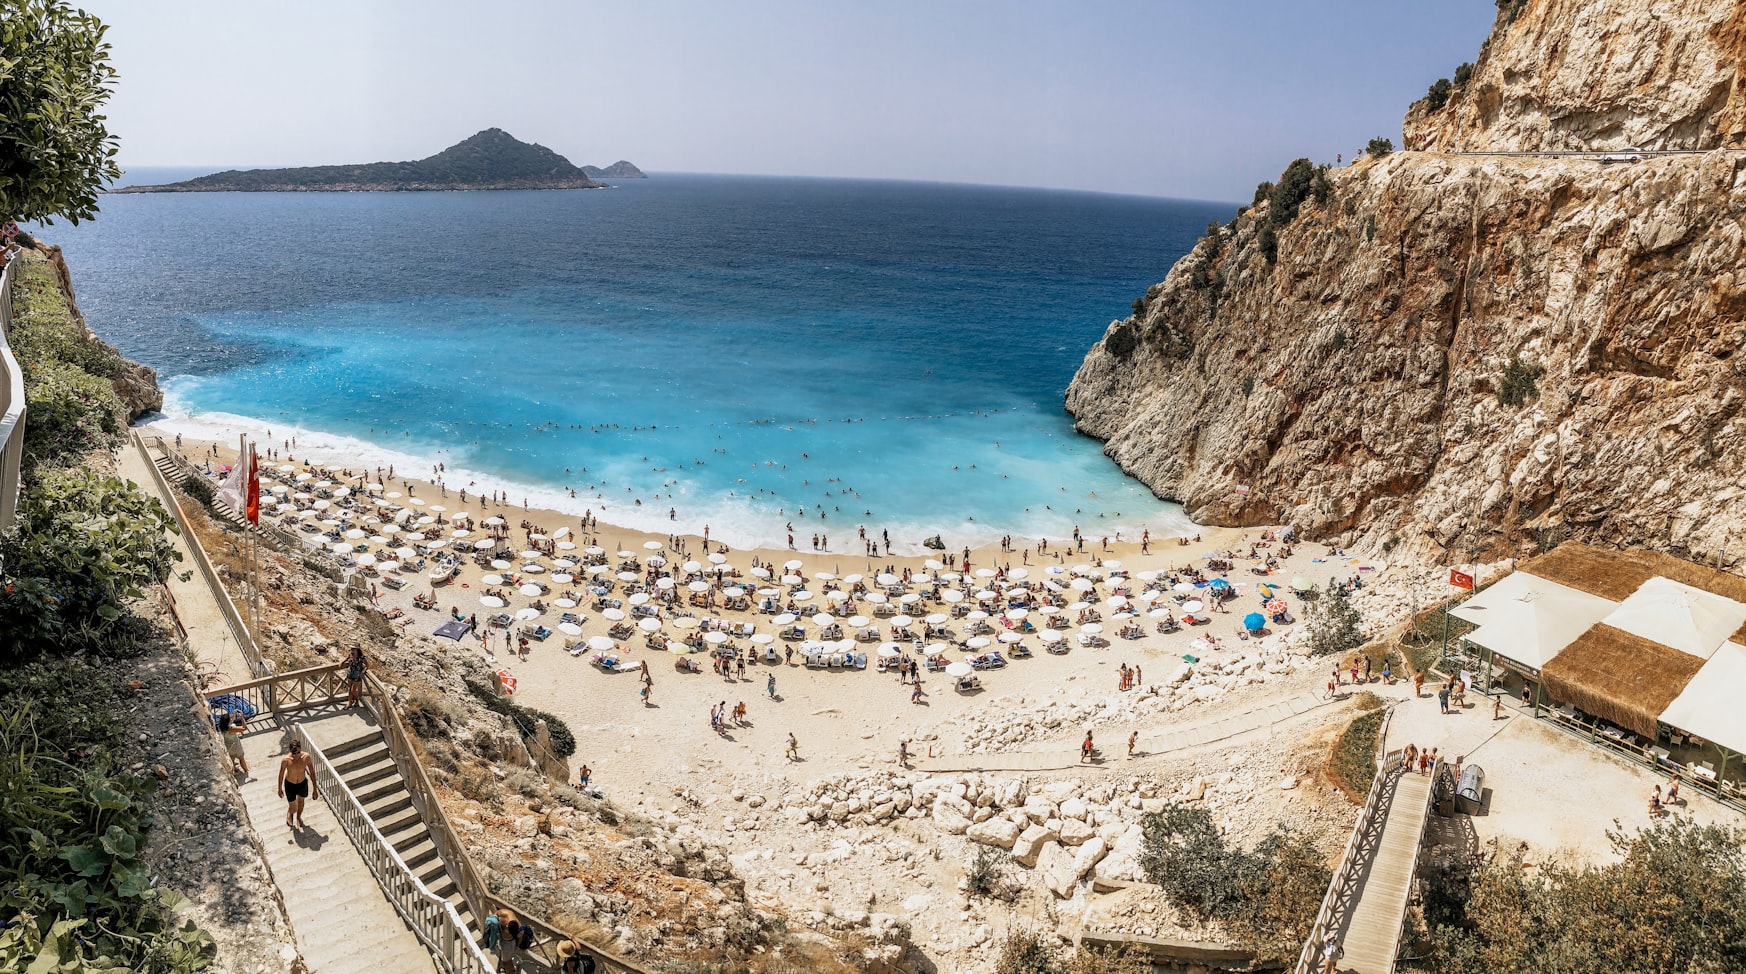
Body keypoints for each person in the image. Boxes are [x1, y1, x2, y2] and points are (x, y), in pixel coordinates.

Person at [277, 738, 319, 828]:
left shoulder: (306, 757)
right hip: (290, 784)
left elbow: (312, 772)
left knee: (301, 803)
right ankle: (290, 812)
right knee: (294, 807)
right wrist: (279, 789)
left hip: (302, 783)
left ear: (300, 749)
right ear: (290, 751)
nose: (296, 756)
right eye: (294, 753)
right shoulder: (286, 760)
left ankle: (298, 818)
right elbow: (281, 775)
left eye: (298, 753)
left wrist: (315, 789)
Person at [222, 709, 249, 775]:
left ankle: (233, 771)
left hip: (228, 745)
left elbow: (231, 720)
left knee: (232, 759)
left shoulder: (222, 726)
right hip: (235, 745)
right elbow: (244, 728)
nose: (231, 718)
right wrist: (242, 718)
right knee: (241, 758)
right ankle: (246, 771)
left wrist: (234, 714)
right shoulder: (231, 729)